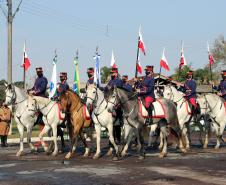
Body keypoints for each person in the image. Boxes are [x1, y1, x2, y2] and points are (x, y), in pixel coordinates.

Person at [105, 67, 123, 145]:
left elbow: (119, 90)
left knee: (117, 123)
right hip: (110, 100)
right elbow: (106, 89)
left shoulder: (119, 81)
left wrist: (111, 88)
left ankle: (118, 138)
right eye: (111, 73)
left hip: (117, 101)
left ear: (116, 73)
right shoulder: (110, 81)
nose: (111, 74)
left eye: (112, 73)